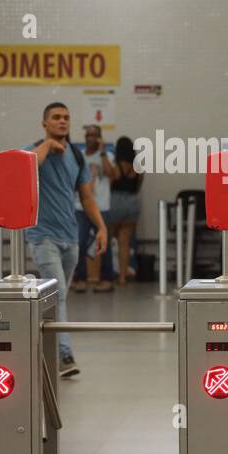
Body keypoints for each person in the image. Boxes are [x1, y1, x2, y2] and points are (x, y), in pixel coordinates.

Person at [28, 103, 108, 377]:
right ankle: (64, 356)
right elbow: (28, 168)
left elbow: (86, 197)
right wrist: (48, 146)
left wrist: (101, 227)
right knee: (58, 295)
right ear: (45, 123)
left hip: (70, 238)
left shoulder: (76, 155)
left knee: (56, 299)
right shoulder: (35, 151)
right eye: (56, 118)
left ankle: (43, 350)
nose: (62, 122)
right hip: (43, 236)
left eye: (66, 118)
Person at [71, 124, 115, 292]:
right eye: (88, 135)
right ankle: (80, 278)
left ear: (100, 138)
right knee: (79, 242)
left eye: (95, 135)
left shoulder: (107, 156)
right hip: (80, 206)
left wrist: (103, 152)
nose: (91, 138)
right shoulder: (79, 156)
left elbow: (113, 174)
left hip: (102, 205)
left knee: (104, 243)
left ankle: (107, 279)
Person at [105, 136, 143, 285]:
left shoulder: (116, 167)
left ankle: (106, 274)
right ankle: (122, 277)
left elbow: (108, 184)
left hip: (116, 201)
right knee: (125, 242)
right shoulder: (138, 168)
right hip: (133, 202)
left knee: (107, 239)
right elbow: (138, 187)